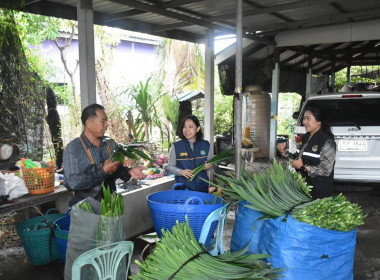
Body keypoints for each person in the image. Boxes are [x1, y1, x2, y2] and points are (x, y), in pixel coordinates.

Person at [63, 104, 145, 206]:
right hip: (85, 211)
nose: (107, 125)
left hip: (110, 206)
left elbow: (117, 169)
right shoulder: (73, 148)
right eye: (103, 121)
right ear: (88, 123)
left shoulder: (110, 143)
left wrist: (129, 171)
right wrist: (103, 171)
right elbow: (74, 183)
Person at [291, 106, 336, 199]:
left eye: (308, 119)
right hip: (303, 188)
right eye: (304, 118)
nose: (304, 122)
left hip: (318, 193)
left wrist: (303, 167)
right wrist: (284, 152)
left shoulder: (327, 141)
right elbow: (299, 157)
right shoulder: (305, 137)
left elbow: (326, 170)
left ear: (319, 121)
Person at [166, 115, 212, 193]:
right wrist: (181, 172)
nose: (186, 130)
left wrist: (207, 168)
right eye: (184, 127)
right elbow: (170, 166)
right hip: (183, 189)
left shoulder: (205, 145)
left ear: (197, 129)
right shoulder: (176, 146)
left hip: (202, 188)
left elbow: (210, 163)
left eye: (190, 127)